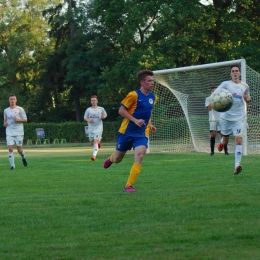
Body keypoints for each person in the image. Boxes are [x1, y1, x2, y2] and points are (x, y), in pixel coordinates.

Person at [103, 69, 157, 192]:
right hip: (126, 132)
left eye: (153, 81)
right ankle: (111, 159)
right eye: (149, 81)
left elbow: (147, 112)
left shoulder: (153, 97)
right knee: (118, 159)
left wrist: (150, 124)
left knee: (140, 155)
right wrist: (135, 120)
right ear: (142, 82)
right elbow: (121, 111)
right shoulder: (133, 95)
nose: (152, 83)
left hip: (141, 133)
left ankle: (128, 185)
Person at [216, 65, 251, 174]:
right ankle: (222, 141)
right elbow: (216, 94)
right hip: (226, 117)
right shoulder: (225, 84)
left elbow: (248, 98)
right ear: (230, 74)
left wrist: (247, 99)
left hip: (239, 118)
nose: (235, 73)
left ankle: (237, 165)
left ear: (240, 73)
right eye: (233, 71)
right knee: (226, 140)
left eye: (237, 71)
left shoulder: (245, 86)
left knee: (238, 140)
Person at [3, 94, 28, 170]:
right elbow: (4, 121)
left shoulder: (20, 109)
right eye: (11, 99)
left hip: (18, 132)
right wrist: (5, 124)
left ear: (16, 100)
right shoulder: (6, 110)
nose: (12, 101)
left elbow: (25, 119)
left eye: (14, 99)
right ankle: (12, 166)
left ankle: (23, 157)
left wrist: (17, 120)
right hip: (9, 132)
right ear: (9, 100)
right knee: (10, 148)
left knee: (19, 150)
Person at [205, 86, 228, 156]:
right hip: (212, 119)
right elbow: (209, 108)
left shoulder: (221, 98)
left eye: (215, 90)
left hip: (220, 119)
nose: (214, 92)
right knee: (213, 134)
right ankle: (212, 152)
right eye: (212, 91)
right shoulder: (208, 99)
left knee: (223, 135)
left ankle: (226, 151)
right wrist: (213, 100)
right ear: (211, 92)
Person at [84, 95, 107, 161]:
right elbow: (85, 117)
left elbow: (105, 114)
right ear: (90, 101)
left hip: (98, 128)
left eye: (94, 100)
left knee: (95, 141)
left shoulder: (101, 109)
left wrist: (103, 117)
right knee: (92, 142)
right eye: (92, 100)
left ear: (97, 101)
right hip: (90, 128)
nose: (93, 101)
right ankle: (99, 142)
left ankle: (93, 156)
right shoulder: (88, 109)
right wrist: (89, 120)